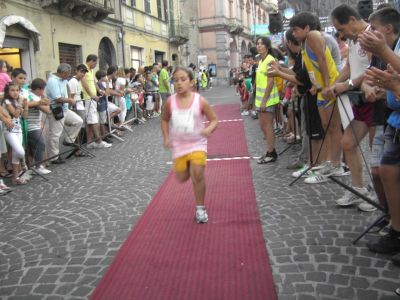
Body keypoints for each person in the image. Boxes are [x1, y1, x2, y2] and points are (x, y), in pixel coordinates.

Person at [290, 12, 343, 183]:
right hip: (321, 88)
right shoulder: (306, 42)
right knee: (327, 127)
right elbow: (315, 67)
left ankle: (335, 164)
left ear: (306, 28)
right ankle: (330, 162)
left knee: (332, 128)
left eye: (295, 29)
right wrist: (316, 85)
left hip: (329, 88)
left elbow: (322, 60)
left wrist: (327, 85)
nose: (293, 34)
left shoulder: (313, 35)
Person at [161, 67, 218, 224]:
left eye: (183, 79)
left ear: (192, 82)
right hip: (179, 146)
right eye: (176, 80)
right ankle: (185, 166)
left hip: (197, 143)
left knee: (197, 175)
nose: (179, 83)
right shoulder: (170, 102)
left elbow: (214, 120)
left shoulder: (200, 101)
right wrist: (166, 138)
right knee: (182, 177)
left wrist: (208, 130)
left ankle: (200, 209)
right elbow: (164, 119)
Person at [45, 63, 83, 164]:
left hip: (65, 108)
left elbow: (67, 89)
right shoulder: (53, 81)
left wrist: (69, 98)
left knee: (78, 121)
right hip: (56, 109)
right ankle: (54, 157)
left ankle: (68, 141)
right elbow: (57, 98)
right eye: (68, 73)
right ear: (63, 73)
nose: (69, 75)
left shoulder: (63, 79)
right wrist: (70, 100)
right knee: (55, 133)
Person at [254, 36, 280, 164]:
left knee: (268, 126)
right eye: (257, 44)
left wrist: (264, 100)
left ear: (267, 46)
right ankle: (270, 150)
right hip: (260, 100)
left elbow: (270, 82)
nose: (259, 46)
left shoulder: (270, 60)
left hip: (268, 99)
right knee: (262, 126)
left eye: (261, 44)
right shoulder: (260, 61)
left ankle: (271, 153)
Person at [2, 82, 28, 185]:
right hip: (9, 131)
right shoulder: (7, 101)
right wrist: (20, 103)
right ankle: (22, 167)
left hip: (18, 130)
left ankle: (15, 178)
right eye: (12, 90)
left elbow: (24, 116)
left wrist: (26, 106)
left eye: (17, 90)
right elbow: (16, 114)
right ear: (8, 92)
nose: (15, 92)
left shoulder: (17, 101)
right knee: (20, 152)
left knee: (16, 154)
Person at [26, 78, 52, 174]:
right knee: (40, 144)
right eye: (42, 90)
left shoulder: (35, 96)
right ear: (38, 89)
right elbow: (47, 110)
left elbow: (47, 109)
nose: (43, 92)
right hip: (31, 125)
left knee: (36, 145)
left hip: (36, 123)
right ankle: (38, 166)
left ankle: (35, 166)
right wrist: (42, 102)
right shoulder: (33, 97)